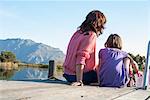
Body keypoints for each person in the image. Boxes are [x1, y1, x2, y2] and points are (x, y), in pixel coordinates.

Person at [63, 10, 107, 86]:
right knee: (107, 76)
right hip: (77, 76)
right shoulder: (91, 35)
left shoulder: (77, 33)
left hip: (67, 74)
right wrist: (79, 80)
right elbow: (81, 57)